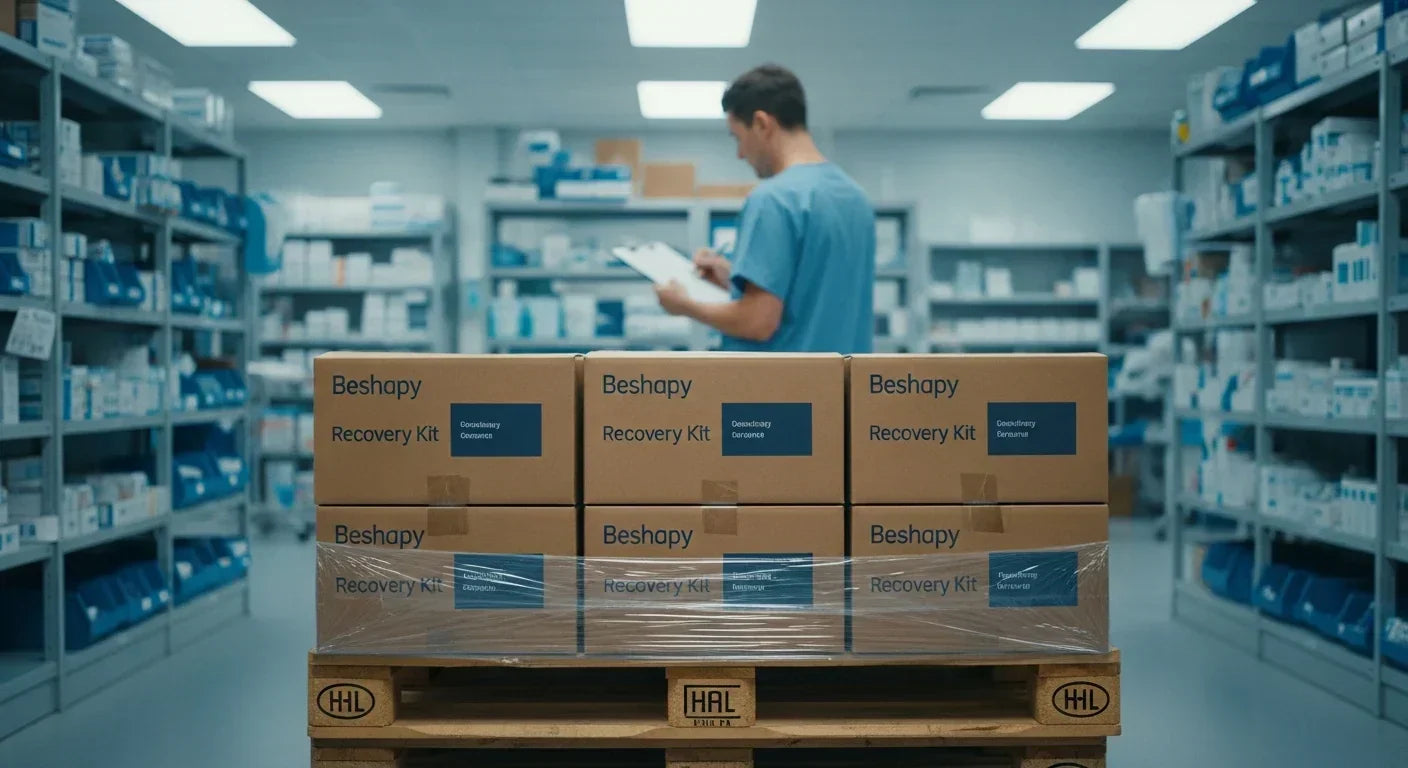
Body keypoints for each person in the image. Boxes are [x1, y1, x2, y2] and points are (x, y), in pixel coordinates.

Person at [653, 64, 876, 353]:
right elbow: (811, 300)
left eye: (737, 137)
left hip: (781, 394)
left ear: (761, 124)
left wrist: (685, 305)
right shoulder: (855, 198)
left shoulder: (774, 199)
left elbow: (757, 322)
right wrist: (733, 278)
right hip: (841, 393)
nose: (740, 153)